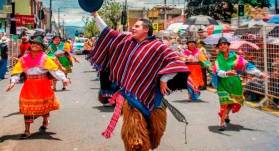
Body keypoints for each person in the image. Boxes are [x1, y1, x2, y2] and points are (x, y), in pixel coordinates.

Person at [88, 12, 190, 151]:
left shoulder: (158, 47)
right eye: (133, 26)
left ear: (146, 29)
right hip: (130, 98)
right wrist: (95, 15)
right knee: (135, 141)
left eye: (137, 26)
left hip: (153, 98)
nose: (133, 28)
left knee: (155, 136)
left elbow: (177, 62)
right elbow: (108, 32)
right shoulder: (126, 41)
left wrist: (164, 79)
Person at [6, 34, 70, 139]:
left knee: (44, 106)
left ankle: (45, 121)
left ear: (41, 46)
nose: (35, 45)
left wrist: (64, 78)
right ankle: (27, 130)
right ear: (30, 45)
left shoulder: (45, 58)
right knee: (27, 108)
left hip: (43, 85)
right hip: (29, 86)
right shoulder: (24, 59)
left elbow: (54, 70)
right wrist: (12, 82)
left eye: (37, 44)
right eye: (33, 43)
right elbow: (17, 71)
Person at [212, 37, 267, 131]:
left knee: (232, 102)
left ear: (228, 45)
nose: (222, 46)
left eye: (224, 44)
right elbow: (217, 71)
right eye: (220, 45)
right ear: (219, 47)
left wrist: (260, 73)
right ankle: (222, 123)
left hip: (235, 84)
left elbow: (248, 66)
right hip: (223, 83)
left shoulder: (236, 57)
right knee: (224, 102)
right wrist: (226, 73)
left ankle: (226, 114)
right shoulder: (218, 60)